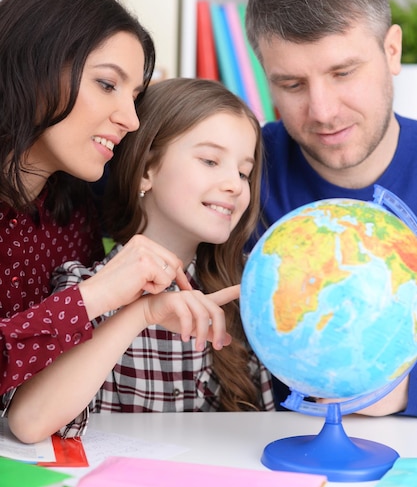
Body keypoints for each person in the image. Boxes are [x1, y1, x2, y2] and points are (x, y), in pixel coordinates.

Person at [7, 77, 275, 443]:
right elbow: (30, 422)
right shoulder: (83, 287)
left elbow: (263, 431)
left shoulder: (246, 292)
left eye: (244, 172)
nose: (234, 184)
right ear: (147, 169)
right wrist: (142, 314)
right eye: (210, 160)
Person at [0, 0, 197, 400]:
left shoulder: (74, 211)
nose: (130, 118)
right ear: (32, 67)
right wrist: (93, 296)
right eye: (107, 85)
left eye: (134, 95)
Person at [245, 0, 417, 416]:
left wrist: (403, 392)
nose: (322, 111)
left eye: (343, 73)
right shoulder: (237, 171)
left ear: (391, 50)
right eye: (293, 85)